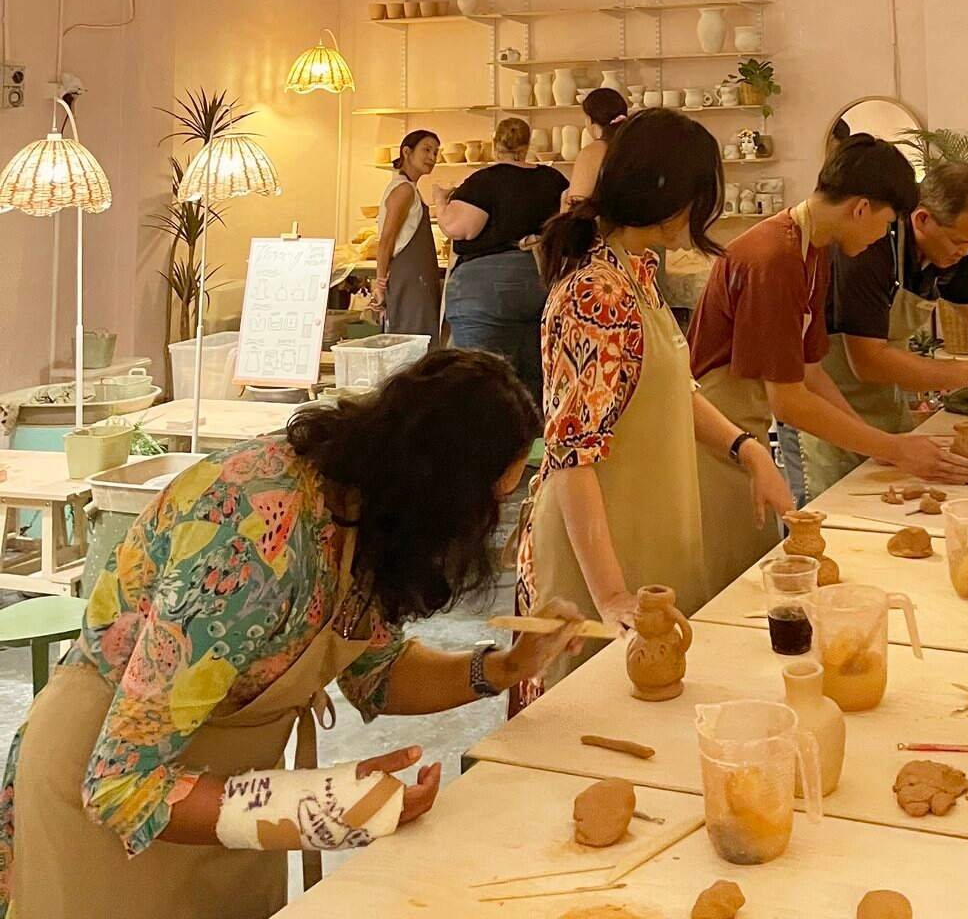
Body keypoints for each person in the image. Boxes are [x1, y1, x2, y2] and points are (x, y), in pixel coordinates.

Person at [0, 351, 582, 919]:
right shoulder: (255, 544)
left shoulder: (360, 513)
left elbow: (375, 673)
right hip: (106, 803)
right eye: (492, 501)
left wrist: (502, 668)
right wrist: (319, 806)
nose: (488, 523)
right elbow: (120, 785)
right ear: (443, 491)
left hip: (217, 805)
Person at [517, 110, 793, 697]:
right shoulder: (596, 293)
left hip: (647, 528)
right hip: (599, 552)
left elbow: (673, 390)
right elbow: (572, 453)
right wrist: (611, 596)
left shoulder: (635, 270)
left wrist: (749, 452)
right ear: (670, 195)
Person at [688, 136, 968, 600]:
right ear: (862, 209)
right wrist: (893, 448)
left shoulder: (813, 249)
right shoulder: (775, 257)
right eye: (886, 223)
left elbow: (809, 369)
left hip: (746, 430)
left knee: (755, 575)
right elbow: (788, 399)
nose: (884, 236)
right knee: (728, 585)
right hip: (714, 437)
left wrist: (873, 441)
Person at [802, 160, 968, 495]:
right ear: (923, 219)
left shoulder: (949, 253)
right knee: (836, 511)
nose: (964, 251)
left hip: (883, 400)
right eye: (959, 241)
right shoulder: (869, 248)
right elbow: (867, 361)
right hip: (826, 407)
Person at [431, 118, 568, 404]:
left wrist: (441, 203)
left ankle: (485, 444)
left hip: (485, 289)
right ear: (527, 145)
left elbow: (463, 228)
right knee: (537, 379)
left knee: (482, 383)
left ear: (495, 145)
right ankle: (535, 443)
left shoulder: (485, 180)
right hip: (543, 281)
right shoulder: (553, 180)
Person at [370, 129, 443, 340]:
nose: (432, 157)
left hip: (417, 278)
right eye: (426, 150)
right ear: (407, 152)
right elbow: (386, 240)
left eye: (436, 153)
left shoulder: (410, 188)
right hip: (409, 278)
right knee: (411, 341)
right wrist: (380, 284)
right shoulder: (403, 190)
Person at [562, 87, 629, 208]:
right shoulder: (634, 145)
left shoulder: (594, 152)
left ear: (590, 119)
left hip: (605, 225)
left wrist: (564, 205)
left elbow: (577, 209)